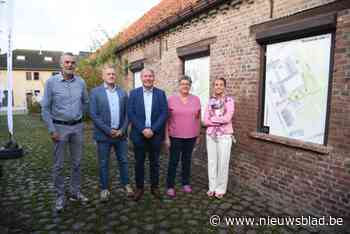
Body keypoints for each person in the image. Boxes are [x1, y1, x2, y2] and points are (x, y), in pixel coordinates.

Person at [41, 52, 89, 211]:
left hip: (77, 128)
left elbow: (85, 102)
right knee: (59, 165)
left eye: (72, 62)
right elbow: (45, 108)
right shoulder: (51, 83)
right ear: (61, 64)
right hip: (59, 129)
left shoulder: (81, 82)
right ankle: (60, 196)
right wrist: (51, 129)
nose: (70, 65)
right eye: (67, 62)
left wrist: (79, 118)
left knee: (77, 163)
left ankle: (75, 191)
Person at [89, 64, 133, 202]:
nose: (111, 76)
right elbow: (94, 115)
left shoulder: (122, 92)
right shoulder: (95, 92)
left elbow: (127, 114)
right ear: (103, 76)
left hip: (120, 135)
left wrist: (122, 130)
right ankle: (104, 189)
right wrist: (108, 130)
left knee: (124, 161)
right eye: (108, 74)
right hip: (103, 135)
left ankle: (126, 184)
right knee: (103, 163)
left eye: (113, 74)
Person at [127, 68, 168, 201]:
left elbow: (164, 113)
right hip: (139, 134)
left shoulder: (161, 94)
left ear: (154, 77)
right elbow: (130, 113)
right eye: (145, 76)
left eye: (150, 76)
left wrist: (153, 129)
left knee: (155, 162)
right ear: (141, 78)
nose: (148, 78)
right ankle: (139, 188)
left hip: (155, 135)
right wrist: (142, 129)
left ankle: (154, 187)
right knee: (139, 162)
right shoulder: (133, 93)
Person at [164, 75, 201, 197]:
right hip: (175, 136)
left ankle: (185, 183)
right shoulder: (171, 99)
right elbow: (166, 120)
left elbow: (198, 118)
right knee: (173, 161)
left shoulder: (196, 99)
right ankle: (170, 185)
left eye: (187, 84)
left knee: (187, 161)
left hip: (191, 136)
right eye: (182, 84)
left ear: (190, 86)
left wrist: (198, 134)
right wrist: (166, 137)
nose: (185, 86)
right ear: (179, 85)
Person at [204, 77, 234, 199]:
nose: (218, 87)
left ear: (224, 87)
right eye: (216, 84)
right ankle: (212, 187)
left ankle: (220, 189)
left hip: (225, 135)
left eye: (221, 84)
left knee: (223, 163)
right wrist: (217, 122)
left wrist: (213, 120)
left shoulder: (229, 101)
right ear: (214, 86)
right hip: (211, 134)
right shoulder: (210, 101)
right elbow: (205, 120)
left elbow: (227, 118)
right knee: (212, 162)